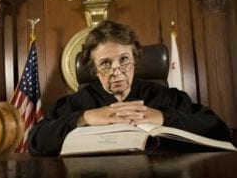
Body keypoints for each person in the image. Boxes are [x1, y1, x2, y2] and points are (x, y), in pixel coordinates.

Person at [28, 20, 232, 155]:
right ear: (94, 69)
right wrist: (85, 118)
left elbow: (219, 130)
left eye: (124, 59)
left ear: (134, 60)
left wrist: (164, 118)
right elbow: (35, 142)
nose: (116, 71)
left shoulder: (165, 96)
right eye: (106, 63)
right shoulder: (75, 103)